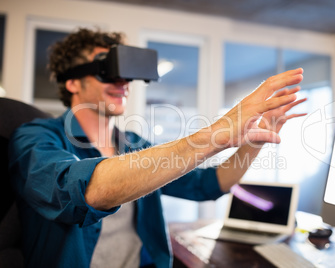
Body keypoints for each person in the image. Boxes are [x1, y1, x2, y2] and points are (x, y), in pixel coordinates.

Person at [8, 28, 306, 268]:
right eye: (107, 70)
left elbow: (210, 184)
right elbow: (79, 191)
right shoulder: (35, 137)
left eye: (125, 72)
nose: (123, 81)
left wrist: (253, 142)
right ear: (72, 82)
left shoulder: (134, 144)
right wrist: (216, 133)